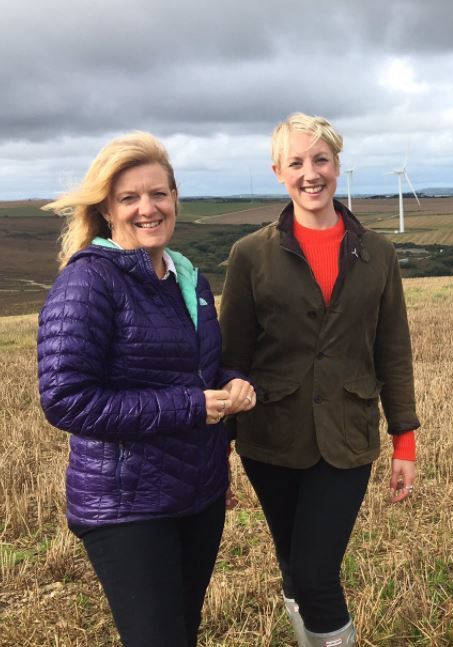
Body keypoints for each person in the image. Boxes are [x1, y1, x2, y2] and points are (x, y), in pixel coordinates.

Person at [36, 132, 256, 647]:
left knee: (183, 631)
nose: (147, 208)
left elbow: (197, 371)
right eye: (129, 198)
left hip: (196, 493)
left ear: (175, 198)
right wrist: (189, 406)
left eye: (158, 193)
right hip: (126, 502)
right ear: (108, 211)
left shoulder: (187, 277)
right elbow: (65, 397)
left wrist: (232, 384)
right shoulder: (90, 280)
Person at [220, 113, 420, 647]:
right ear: (278, 172)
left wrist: (406, 441)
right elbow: (230, 359)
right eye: (297, 162)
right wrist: (217, 450)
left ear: (337, 164)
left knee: (315, 573)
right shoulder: (250, 255)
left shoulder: (378, 253)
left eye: (321, 160)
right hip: (270, 439)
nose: (311, 173)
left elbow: (393, 351)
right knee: (292, 563)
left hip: (347, 438)